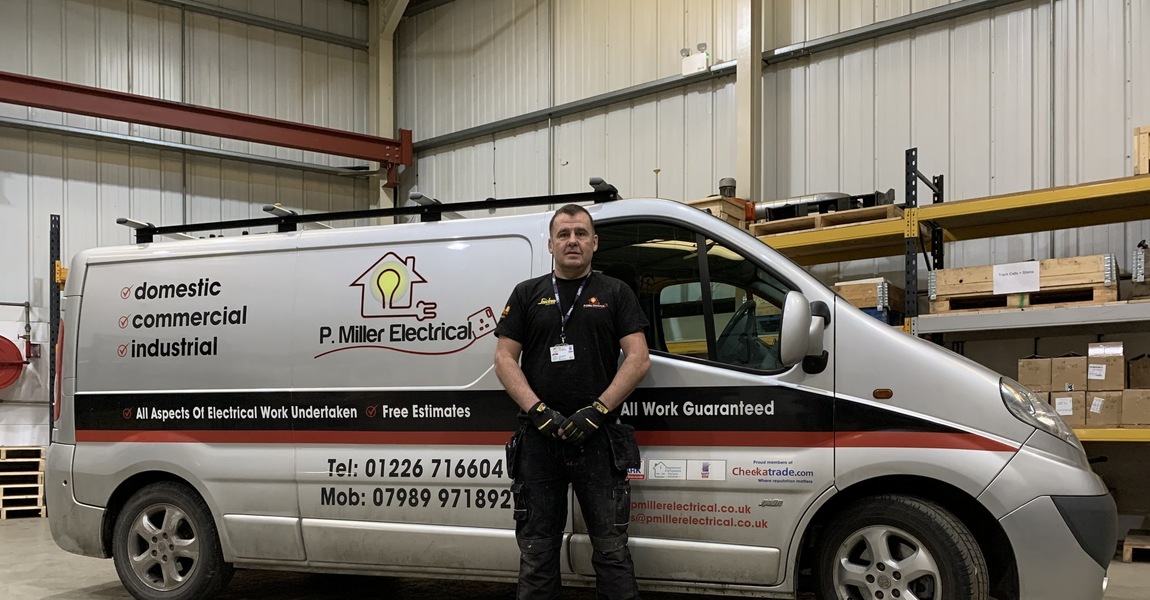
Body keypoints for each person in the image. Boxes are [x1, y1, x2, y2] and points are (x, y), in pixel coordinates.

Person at [494, 204, 651, 600]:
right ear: (550, 244)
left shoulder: (615, 292)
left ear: (594, 243)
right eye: (563, 234)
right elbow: (503, 359)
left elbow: (638, 358)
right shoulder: (527, 294)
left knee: (611, 549)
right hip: (539, 441)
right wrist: (537, 410)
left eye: (581, 233)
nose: (572, 241)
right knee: (537, 552)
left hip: (599, 439)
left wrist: (598, 410)